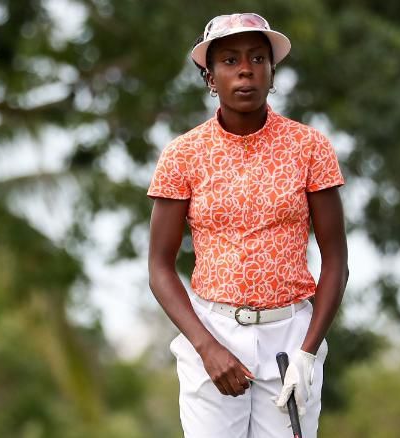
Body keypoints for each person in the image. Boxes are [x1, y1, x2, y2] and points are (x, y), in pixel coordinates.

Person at [147, 12, 348, 438]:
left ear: (272, 73)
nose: (245, 70)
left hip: (291, 337)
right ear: (210, 76)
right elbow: (159, 268)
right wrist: (206, 348)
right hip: (212, 332)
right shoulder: (183, 155)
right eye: (230, 60)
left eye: (258, 59)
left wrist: (307, 353)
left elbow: (336, 263)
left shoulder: (309, 147)